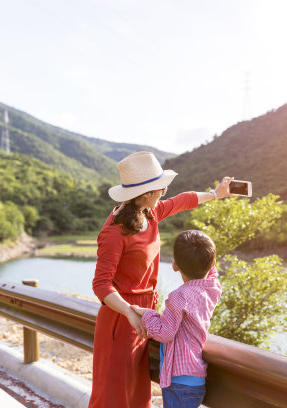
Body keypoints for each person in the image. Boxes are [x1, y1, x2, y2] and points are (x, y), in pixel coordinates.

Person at [89, 151, 232, 408]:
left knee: (137, 393)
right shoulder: (113, 232)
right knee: (114, 395)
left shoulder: (149, 212)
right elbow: (101, 285)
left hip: (145, 315)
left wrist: (216, 193)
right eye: (160, 189)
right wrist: (130, 313)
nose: (164, 192)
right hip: (121, 318)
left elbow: (183, 200)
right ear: (145, 194)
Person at [131, 230, 221, 408]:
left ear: (175, 265)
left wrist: (147, 313)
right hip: (195, 379)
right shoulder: (212, 289)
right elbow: (212, 272)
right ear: (213, 263)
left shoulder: (179, 296)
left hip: (178, 382)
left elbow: (165, 333)